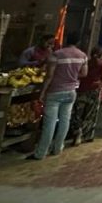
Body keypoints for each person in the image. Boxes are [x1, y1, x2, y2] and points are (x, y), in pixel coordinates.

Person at [29, 31, 88, 160]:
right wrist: (71, 76)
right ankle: (57, 148)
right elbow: (84, 74)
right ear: (78, 42)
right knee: (64, 121)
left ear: (66, 40)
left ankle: (41, 153)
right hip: (71, 91)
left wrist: (43, 92)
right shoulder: (83, 56)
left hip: (55, 91)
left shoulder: (57, 55)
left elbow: (49, 75)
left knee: (49, 123)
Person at [70, 47, 102, 145]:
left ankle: (77, 132)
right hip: (94, 90)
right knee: (90, 113)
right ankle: (86, 135)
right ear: (101, 54)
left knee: (78, 112)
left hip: (82, 89)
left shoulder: (86, 62)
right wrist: (101, 82)